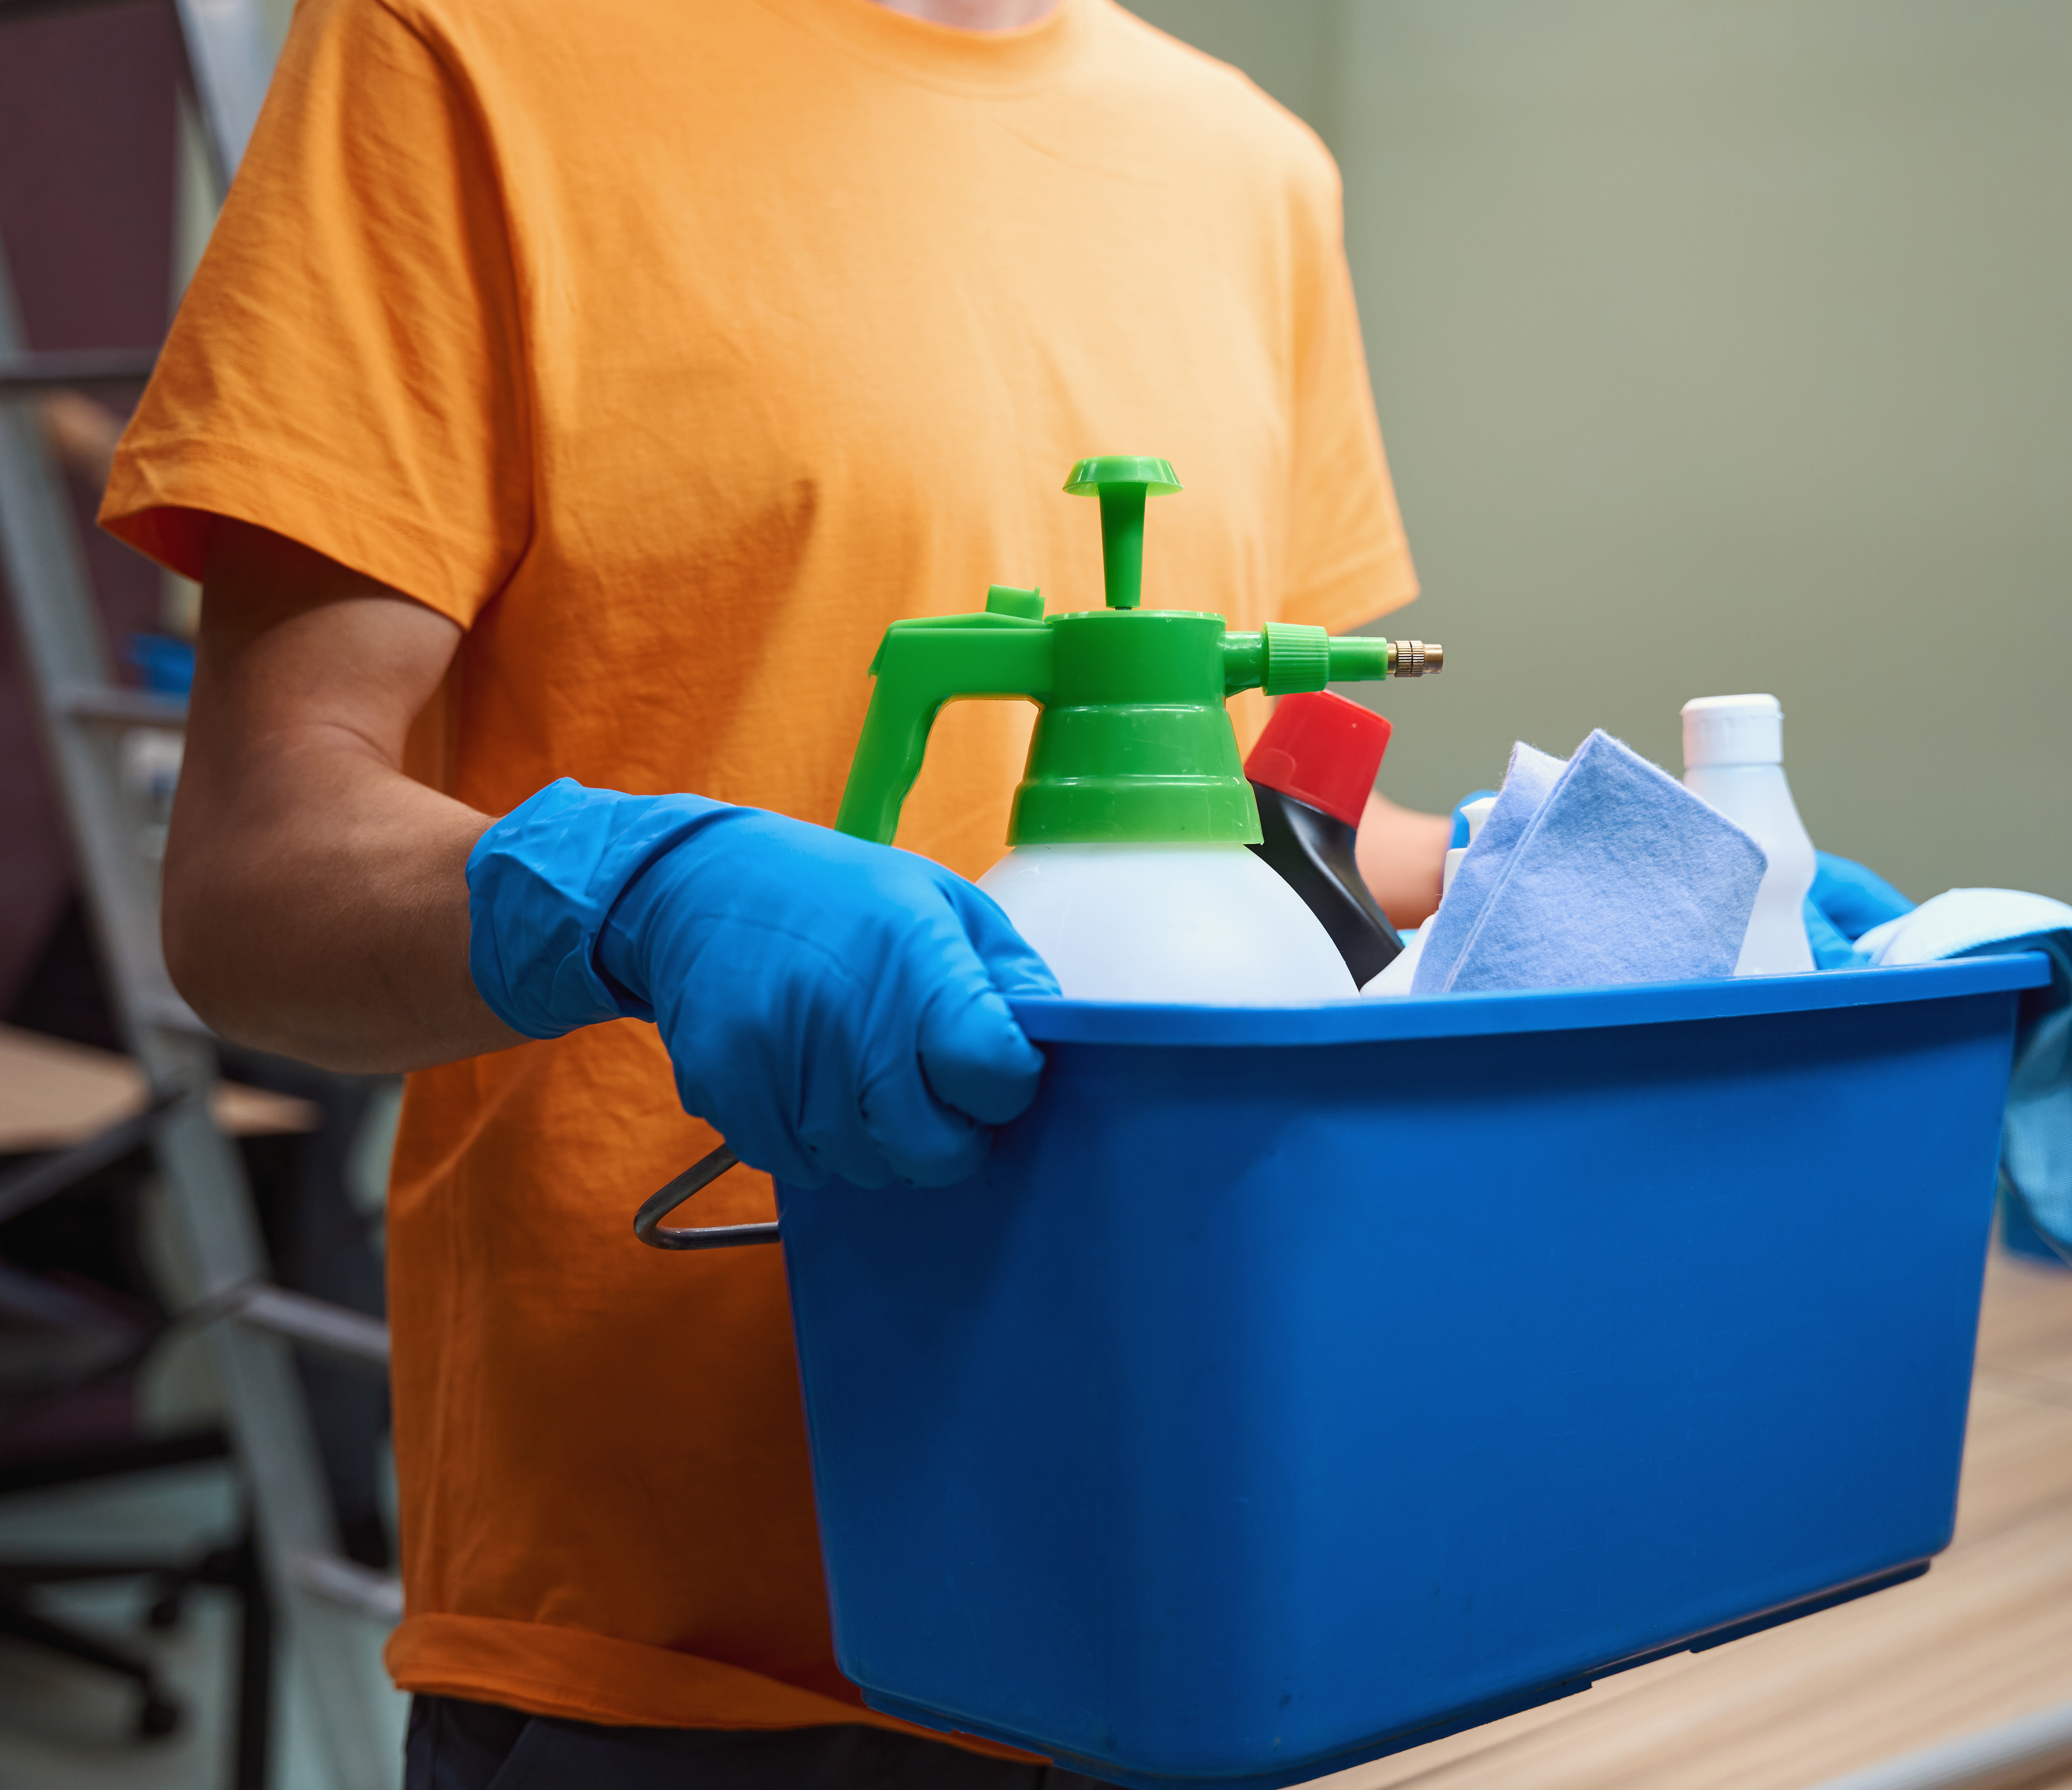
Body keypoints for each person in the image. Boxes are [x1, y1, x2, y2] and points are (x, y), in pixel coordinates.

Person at [104, 0, 1445, 1781]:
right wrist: (636, 890)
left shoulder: (1253, 169)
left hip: (1183, 1574)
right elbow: (252, 876)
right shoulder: (465, 52)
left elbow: (1285, 849)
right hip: (677, 1657)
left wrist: (1597, 877)